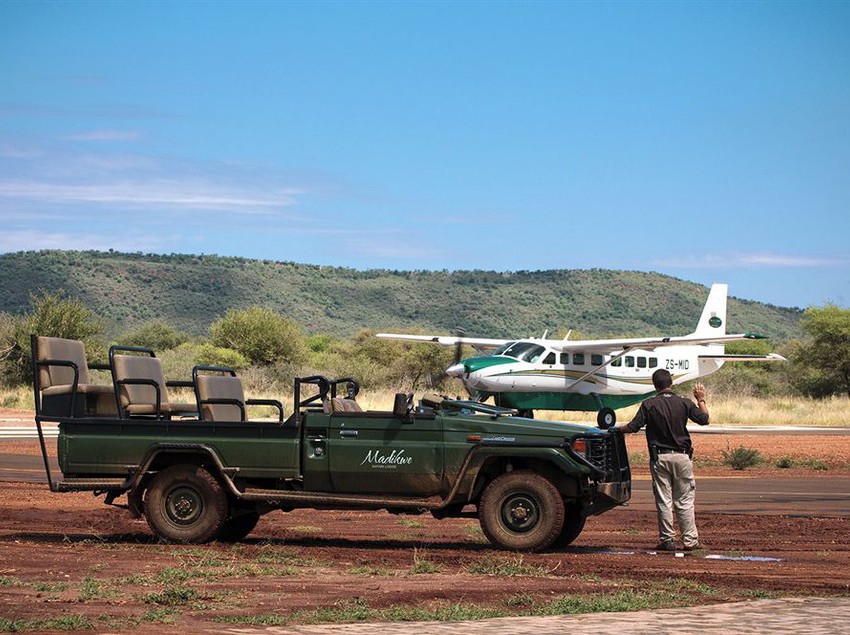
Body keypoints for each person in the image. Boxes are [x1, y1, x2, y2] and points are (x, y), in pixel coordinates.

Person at [613, 369, 709, 551]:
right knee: (685, 500)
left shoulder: (649, 404)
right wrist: (701, 399)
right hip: (682, 456)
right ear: (671, 383)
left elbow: (633, 427)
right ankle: (690, 541)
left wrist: (616, 430)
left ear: (655, 385)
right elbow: (704, 419)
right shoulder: (684, 403)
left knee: (664, 499)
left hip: (660, 458)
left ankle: (667, 540)